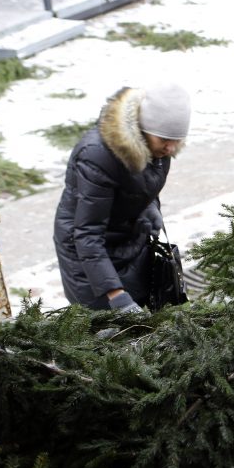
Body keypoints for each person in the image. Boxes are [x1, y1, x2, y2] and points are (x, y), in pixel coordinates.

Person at [53, 83, 191, 313]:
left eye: (177, 140)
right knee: (105, 328)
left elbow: (140, 184)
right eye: (164, 139)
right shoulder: (98, 155)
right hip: (88, 256)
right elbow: (87, 232)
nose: (170, 148)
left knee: (142, 320)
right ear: (143, 129)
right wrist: (115, 294)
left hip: (129, 241)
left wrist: (149, 208)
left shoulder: (158, 148)